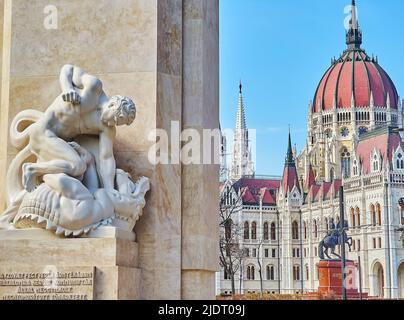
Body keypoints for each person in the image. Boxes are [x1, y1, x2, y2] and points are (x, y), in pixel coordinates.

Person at [22, 64, 136, 192]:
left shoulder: (107, 128)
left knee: (80, 172)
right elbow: (67, 69)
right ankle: (31, 169)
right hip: (43, 133)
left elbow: (107, 157)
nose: (112, 124)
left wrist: (110, 190)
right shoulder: (93, 87)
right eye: (115, 119)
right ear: (112, 105)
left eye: (117, 123)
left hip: (59, 144)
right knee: (78, 166)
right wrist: (67, 88)